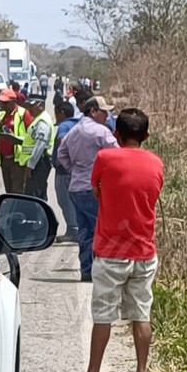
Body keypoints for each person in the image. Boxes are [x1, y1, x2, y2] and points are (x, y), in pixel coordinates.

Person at [59, 108, 164, 372]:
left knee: (103, 315)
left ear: (116, 134)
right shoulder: (156, 163)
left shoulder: (106, 157)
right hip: (144, 251)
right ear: (146, 135)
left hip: (110, 251)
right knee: (141, 313)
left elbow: (96, 191)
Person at [56, 96, 119, 282]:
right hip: (95, 188)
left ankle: (87, 269)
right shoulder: (101, 132)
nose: (107, 116)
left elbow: (61, 154)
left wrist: (74, 169)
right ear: (93, 111)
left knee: (84, 230)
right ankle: (103, 271)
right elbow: (117, 156)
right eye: (104, 111)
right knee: (100, 229)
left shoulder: (73, 131)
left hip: (76, 186)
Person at [0, 88, 34, 195]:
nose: (2, 106)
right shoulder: (1, 115)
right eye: (1, 103)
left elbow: (31, 137)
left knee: (17, 190)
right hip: (5, 160)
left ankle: (17, 211)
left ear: (13, 102)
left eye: (5, 103)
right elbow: (0, 138)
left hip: (18, 160)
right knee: (8, 190)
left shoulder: (24, 114)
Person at [53, 101, 81, 243]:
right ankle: (75, 229)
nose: (55, 116)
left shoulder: (64, 125)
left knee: (64, 200)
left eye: (56, 113)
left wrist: (63, 161)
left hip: (64, 171)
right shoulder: (78, 123)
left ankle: (73, 230)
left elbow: (62, 141)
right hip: (76, 169)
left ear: (62, 113)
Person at [23, 99, 56, 201]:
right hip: (38, 162)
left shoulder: (42, 122)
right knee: (38, 194)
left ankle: (35, 216)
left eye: (32, 106)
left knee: (33, 196)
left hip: (39, 162)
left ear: (41, 105)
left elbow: (40, 145)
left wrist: (31, 165)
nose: (29, 109)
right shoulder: (39, 118)